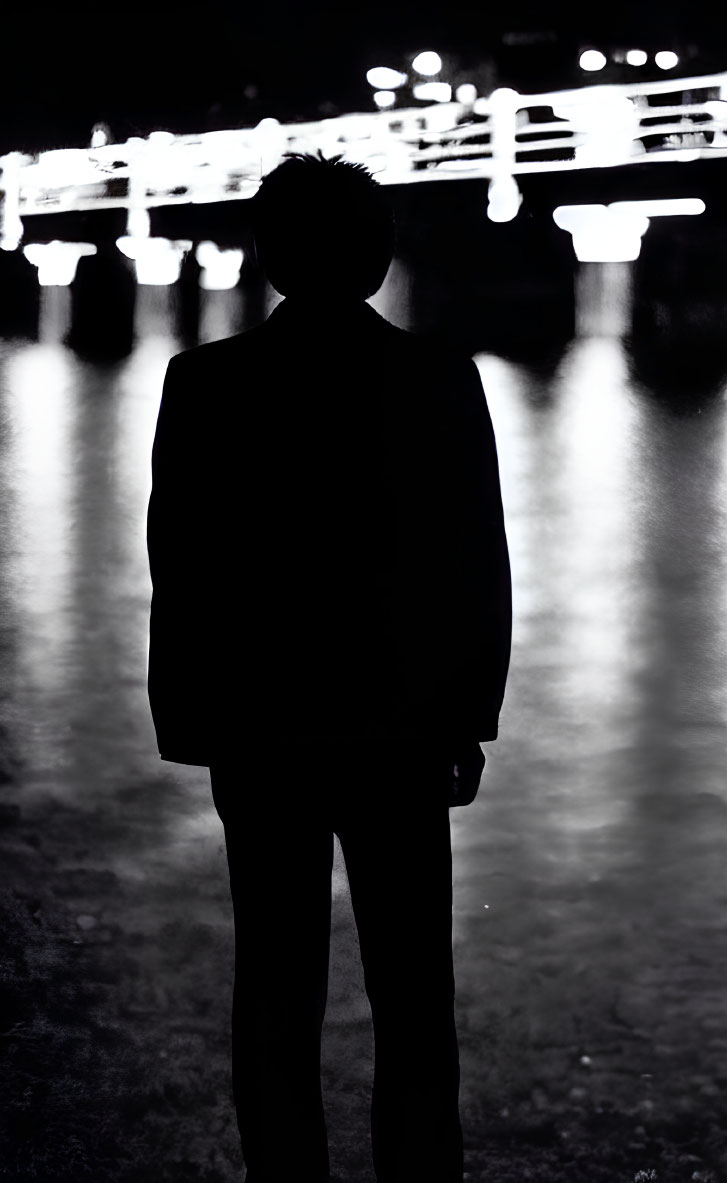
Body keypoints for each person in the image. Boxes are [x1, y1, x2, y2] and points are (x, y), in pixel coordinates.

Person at [146, 152, 512, 1183]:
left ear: (265, 255)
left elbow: (183, 560)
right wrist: (468, 717)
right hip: (401, 724)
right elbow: (472, 560)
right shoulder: (439, 378)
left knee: (272, 986)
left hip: (259, 725)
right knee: (412, 996)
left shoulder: (206, 383)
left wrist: (189, 718)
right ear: (380, 255)